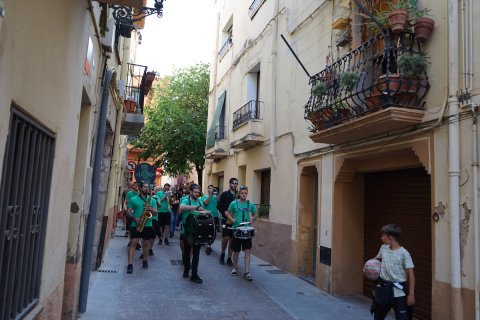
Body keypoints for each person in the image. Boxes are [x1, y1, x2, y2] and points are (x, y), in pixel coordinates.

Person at [370, 224, 415, 320]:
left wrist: (411, 294)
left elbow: (411, 274)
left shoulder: (404, 254)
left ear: (390, 238)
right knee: (378, 316)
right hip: (383, 289)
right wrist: (368, 266)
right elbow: (377, 259)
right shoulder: (383, 248)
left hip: (399, 292)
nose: (381, 238)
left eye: (383, 236)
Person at [225, 186, 257, 281]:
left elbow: (255, 213)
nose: (244, 195)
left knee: (247, 251)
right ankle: (235, 268)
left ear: (247, 193)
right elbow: (227, 213)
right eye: (242, 193)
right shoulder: (234, 203)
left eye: (245, 193)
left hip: (247, 231)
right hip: (237, 230)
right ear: (239, 194)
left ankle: (247, 272)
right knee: (236, 251)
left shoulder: (250, 204)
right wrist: (232, 219)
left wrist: (252, 218)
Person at [125, 181, 158, 273]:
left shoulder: (152, 200)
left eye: (148, 187)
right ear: (140, 188)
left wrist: (150, 209)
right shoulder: (133, 199)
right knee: (133, 243)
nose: (147, 189)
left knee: (146, 244)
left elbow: (155, 212)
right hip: (135, 224)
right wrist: (134, 217)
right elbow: (128, 212)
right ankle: (130, 264)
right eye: (145, 187)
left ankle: (145, 260)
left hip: (147, 224)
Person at [179, 184, 205, 283]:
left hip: (197, 232)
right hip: (187, 232)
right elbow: (181, 207)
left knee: (196, 254)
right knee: (186, 253)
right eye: (195, 192)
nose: (197, 194)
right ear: (190, 192)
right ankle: (186, 270)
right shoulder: (186, 200)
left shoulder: (200, 201)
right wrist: (196, 207)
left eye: (198, 192)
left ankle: (194, 274)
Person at [217, 177, 238, 266]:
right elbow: (219, 206)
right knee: (225, 237)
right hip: (225, 219)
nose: (235, 185)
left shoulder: (239, 194)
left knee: (233, 240)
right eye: (233, 183)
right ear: (229, 184)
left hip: (235, 221)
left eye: (236, 183)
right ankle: (222, 253)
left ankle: (229, 258)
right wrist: (224, 212)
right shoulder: (224, 194)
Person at [201, 185, 219, 255]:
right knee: (207, 231)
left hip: (215, 216)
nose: (211, 189)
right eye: (210, 188)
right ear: (208, 189)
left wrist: (217, 195)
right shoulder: (204, 197)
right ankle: (208, 244)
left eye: (212, 188)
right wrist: (211, 195)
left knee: (213, 232)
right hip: (207, 216)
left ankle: (209, 245)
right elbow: (205, 203)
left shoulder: (215, 197)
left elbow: (219, 203)